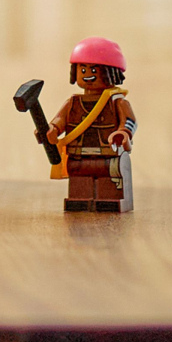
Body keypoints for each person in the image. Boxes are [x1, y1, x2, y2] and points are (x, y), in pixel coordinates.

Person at [48, 37, 136, 213]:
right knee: (80, 181)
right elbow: (60, 120)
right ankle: (79, 201)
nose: (88, 74)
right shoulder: (73, 103)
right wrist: (53, 129)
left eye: (94, 69)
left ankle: (108, 201)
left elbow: (129, 121)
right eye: (83, 69)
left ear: (112, 73)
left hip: (108, 154)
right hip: (78, 155)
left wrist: (123, 133)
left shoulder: (116, 102)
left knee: (108, 180)